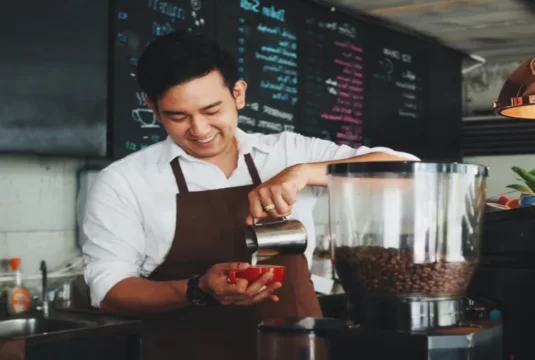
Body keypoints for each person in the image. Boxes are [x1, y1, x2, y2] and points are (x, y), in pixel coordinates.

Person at [81, 31, 419, 360]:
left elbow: (409, 169)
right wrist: (198, 289)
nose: (199, 130)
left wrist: (302, 172)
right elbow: (109, 292)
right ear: (153, 109)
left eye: (212, 110)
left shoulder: (289, 151)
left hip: (299, 352)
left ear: (238, 94)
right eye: (178, 117)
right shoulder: (124, 181)